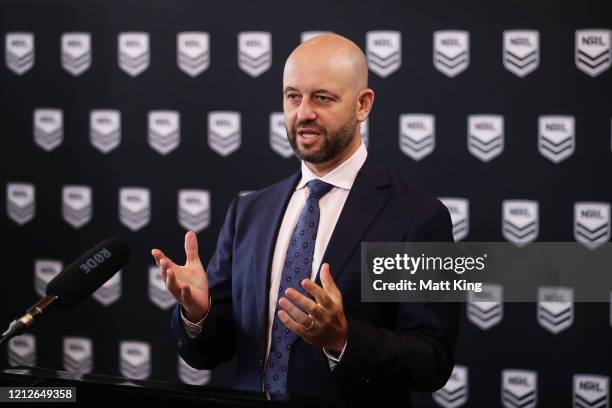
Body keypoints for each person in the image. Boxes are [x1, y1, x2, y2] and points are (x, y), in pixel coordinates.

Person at [151, 34, 458, 406]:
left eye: (322, 98)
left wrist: (342, 338)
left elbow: (431, 360)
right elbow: (207, 354)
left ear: (363, 105)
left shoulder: (418, 219)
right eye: (293, 97)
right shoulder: (249, 213)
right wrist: (197, 314)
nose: (304, 112)